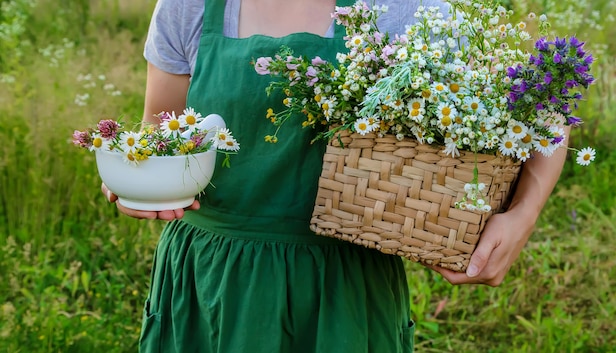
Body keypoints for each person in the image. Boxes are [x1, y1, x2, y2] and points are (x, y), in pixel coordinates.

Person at [101, 0, 568, 351]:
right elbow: (162, 126)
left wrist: (522, 215)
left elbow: (544, 111)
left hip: (338, 287)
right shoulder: (189, 5)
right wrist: (135, 172)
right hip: (207, 279)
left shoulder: (400, 10)